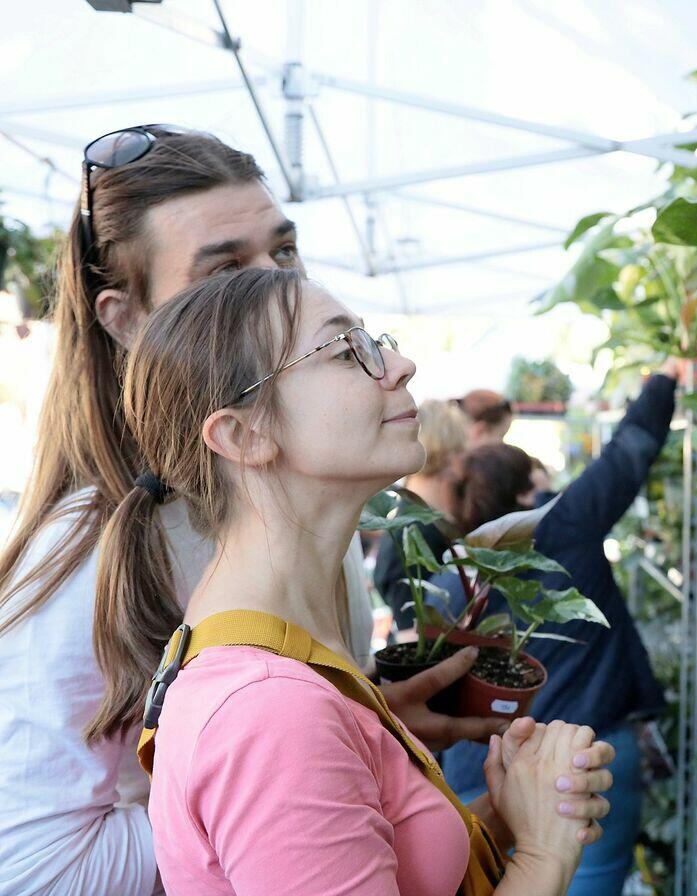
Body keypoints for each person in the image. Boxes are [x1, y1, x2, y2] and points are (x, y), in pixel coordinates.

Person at [0, 126, 611, 896]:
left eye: (284, 252)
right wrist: (297, 781)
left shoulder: (290, 514)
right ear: (125, 319)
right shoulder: (84, 557)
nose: (274, 284)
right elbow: (32, 863)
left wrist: (368, 748)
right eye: (225, 271)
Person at [107, 267, 610, 895]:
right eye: (347, 352)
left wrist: (514, 813)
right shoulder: (270, 714)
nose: (402, 366)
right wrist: (546, 850)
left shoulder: (281, 656)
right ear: (244, 434)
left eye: (376, 343)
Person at [438, 360, 684, 896]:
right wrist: (665, 378)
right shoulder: (563, 525)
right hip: (586, 755)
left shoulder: (447, 575)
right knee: (589, 880)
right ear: (528, 493)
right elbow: (628, 454)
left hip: (479, 769)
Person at [374, 398, 469, 630]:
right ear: (449, 452)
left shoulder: (422, 520)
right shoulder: (415, 528)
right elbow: (411, 631)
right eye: (461, 449)